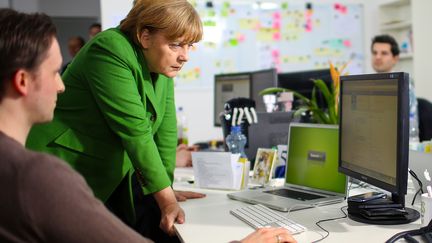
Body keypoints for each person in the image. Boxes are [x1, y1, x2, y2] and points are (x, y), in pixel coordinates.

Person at [0, 8, 296, 243]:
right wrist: (165, 199)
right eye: (176, 44)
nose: (185, 56)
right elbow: (136, 131)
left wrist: (165, 185)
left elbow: (165, 128)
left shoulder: (159, 64)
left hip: (108, 172)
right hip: (67, 163)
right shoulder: (110, 50)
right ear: (144, 36)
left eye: (190, 45)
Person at [371, 34, 419, 140]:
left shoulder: (404, 84)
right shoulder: (368, 84)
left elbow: (410, 127)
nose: (377, 57)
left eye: (384, 53)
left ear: (395, 59)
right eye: (375, 53)